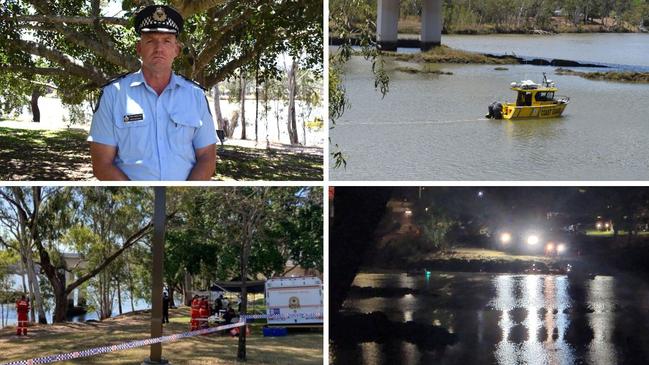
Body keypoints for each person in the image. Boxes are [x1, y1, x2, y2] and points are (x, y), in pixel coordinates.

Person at [88, 5, 217, 181]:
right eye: (150, 41)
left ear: (176, 50)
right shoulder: (113, 95)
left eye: (166, 41)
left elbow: (207, 158)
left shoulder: (195, 96)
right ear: (139, 48)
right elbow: (102, 164)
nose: (159, 48)